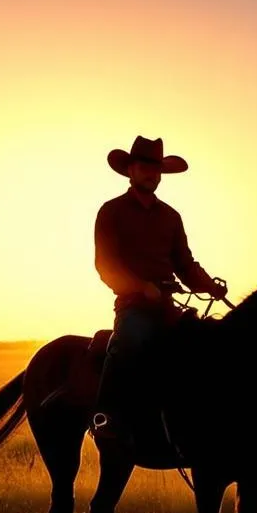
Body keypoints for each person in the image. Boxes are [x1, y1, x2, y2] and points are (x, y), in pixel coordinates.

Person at [92, 135, 228, 444]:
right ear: (130, 170)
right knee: (129, 343)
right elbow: (106, 265)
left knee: (204, 348)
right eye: (144, 167)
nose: (151, 174)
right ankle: (105, 417)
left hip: (167, 306)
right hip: (132, 306)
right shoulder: (111, 212)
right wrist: (141, 287)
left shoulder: (171, 216)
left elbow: (185, 264)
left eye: (156, 169)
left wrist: (211, 287)